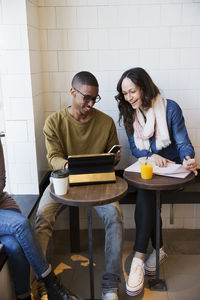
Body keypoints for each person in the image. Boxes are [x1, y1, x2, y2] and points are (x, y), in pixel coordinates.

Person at [34, 71, 123, 300]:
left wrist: (114, 158)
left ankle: (111, 284)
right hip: (64, 180)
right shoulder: (54, 122)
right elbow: (53, 158)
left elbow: (112, 154)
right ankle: (43, 281)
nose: (91, 103)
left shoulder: (105, 122)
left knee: (114, 215)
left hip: (98, 181)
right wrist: (74, 166)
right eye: (86, 98)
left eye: (95, 98)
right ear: (72, 92)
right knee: (43, 216)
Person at [115, 67, 198, 296]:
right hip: (149, 173)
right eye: (125, 93)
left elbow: (183, 143)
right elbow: (134, 149)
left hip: (171, 174)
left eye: (132, 91)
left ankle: (138, 259)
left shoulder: (170, 108)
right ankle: (155, 251)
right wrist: (151, 157)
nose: (129, 97)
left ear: (144, 87)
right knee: (146, 190)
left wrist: (188, 158)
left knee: (146, 192)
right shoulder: (130, 114)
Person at [0, 138, 80, 300]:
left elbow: (1, 179)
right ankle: (51, 284)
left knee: (15, 247)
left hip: (2, 204)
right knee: (21, 224)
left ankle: (24, 297)